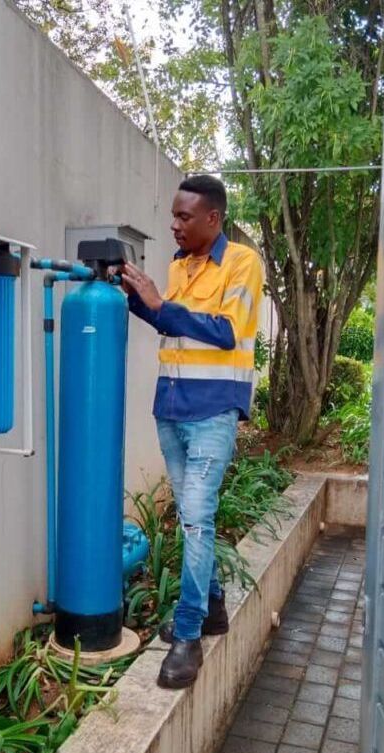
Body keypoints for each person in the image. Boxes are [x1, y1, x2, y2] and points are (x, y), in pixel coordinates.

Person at [120, 175, 264, 689]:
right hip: (172, 407)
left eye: (184, 217)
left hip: (213, 412)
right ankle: (214, 606)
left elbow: (225, 331)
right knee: (190, 518)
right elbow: (171, 325)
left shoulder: (243, 263)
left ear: (213, 218)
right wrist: (135, 298)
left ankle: (188, 635)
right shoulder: (179, 266)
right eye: (173, 216)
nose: (174, 225)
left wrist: (162, 306)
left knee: (197, 521)